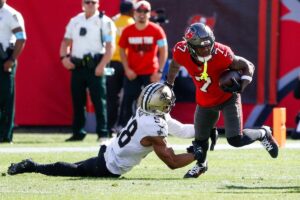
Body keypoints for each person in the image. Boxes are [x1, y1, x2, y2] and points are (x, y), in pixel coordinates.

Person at [7, 82, 204, 177]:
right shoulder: (154, 127)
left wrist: (203, 129)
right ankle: (33, 166)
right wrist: (197, 154)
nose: (170, 104)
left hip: (110, 149)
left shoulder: (148, 114)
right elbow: (172, 162)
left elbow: (180, 130)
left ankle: (34, 166)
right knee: (74, 170)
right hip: (110, 165)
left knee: (77, 167)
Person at [165, 23, 279, 178]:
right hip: (205, 100)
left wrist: (241, 87)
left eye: (208, 46)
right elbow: (174, 66)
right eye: (201, 47)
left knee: (235, 140)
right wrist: (169, 85)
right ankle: (201, 165)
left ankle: (263, 133)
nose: (206, 50)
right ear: (190, 46)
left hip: (227, 98)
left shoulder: (222, 52)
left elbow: (248, 66)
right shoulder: (181, 50)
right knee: (200, 141)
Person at [60, 0, 116, 142]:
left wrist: (102, 65)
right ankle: (78, 132)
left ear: (98, 4)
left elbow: (110, 46)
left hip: (95, 66)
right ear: (82, 4)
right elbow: (65, 41)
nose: (90, 4)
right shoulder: (75, 20)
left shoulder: (105, 21)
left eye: (93, 2)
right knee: (78, 100)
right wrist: (64, 58)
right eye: (87, 2)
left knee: (99, 100)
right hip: (77, 65)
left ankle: (103, 133)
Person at [117, 0, 168, 127]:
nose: (142, 14)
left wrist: (159, 71)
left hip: (151, 72)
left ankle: (155, 128)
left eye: (145, 11)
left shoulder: (157, 30)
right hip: (133, 72)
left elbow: (164, 51)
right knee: (128, 100)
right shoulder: (127, 30)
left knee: (154, 101)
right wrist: (127, 69)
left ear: (150, 13)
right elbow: (121, 49)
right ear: (134, 13)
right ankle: (125, 128)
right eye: (139, 11)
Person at [107, 1, 134, 136]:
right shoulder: (132, 23)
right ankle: (123, 126)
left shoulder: (112, 20)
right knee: (127, 96)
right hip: (127, 64)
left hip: (111, 64)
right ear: (131, 11)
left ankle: (109, 128)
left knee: (111, 96)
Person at [0, 0, 26, 143]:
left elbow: (21, 39)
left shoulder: (12, 14)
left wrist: (12, 59)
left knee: (5, 98)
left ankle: (5, 135)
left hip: (4, 60)